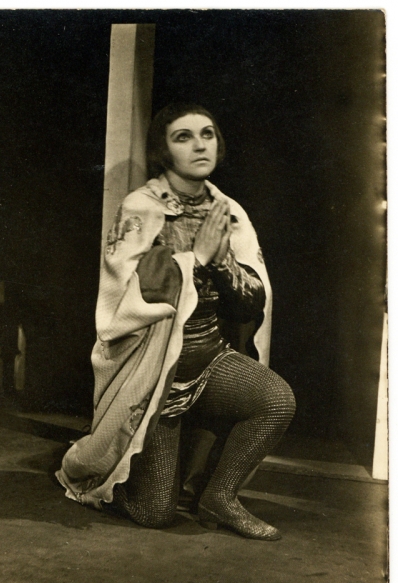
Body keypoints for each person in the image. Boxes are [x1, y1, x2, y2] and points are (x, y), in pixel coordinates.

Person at [56, 103, 295, 541]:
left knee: (276, 400)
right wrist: (196, 259)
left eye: (207, 134)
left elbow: (252, 301)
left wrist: (221, 265)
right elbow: (123, 303)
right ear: (163, 151)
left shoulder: (229, 212)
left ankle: (219, 497)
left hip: (209, 358)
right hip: (153, 376)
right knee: (156, 513)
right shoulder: (140, 208)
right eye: (183, 137)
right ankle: (119, 482)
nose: (199, 145)